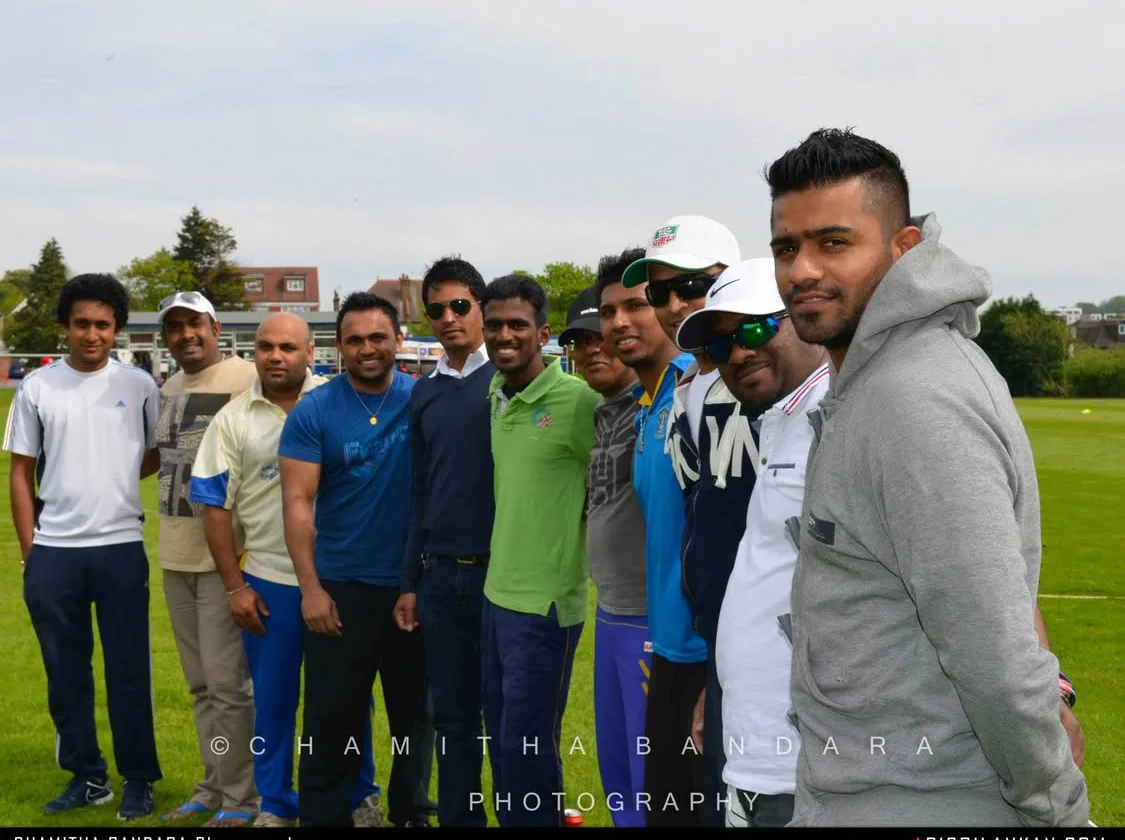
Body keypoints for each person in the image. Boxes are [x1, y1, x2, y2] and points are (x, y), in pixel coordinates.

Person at [766, 127, 1089, 826]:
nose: (800, 270)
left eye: (832, 242)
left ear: (902, 248)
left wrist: (1059, 806)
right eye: (785, 248)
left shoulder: (912, 401)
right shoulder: (871, 380)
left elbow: (993, 656)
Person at [189, 312, 383, 828]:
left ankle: (360, 794)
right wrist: (235, 585)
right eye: (266, 347)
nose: (276, 357)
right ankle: (274, 803)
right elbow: (213, 507)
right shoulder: (233, 418)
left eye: (288, 348)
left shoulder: (339, 400)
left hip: (341, 580)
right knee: (272, 703)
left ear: (311, 352)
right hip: (271, 581)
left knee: (347, 699)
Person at [675, 258, 830, 828]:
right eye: (719, 346)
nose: (738, 352)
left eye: (757, 328)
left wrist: (1049, 689)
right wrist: (721, 690)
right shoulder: (779, 420)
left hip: (812, 769)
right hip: (756, 749)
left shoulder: (841, 417)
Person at [4, 274, 162, 820]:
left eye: (102, 324)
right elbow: (21, 474)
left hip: (119, 546)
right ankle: (86, 775)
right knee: (64, 672)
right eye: (81, 324)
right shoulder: (38, 387)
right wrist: (32, 551)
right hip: (54, 552)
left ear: (115, 328)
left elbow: (154, 453)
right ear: (66, 326)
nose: (91, 335)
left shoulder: (140, 385)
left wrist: (115, 477)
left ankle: (138, 778)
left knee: (127, 669)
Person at [279, 292, 433, 828]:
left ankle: (411, 811)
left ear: (398, 340)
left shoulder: (425, 400)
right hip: (341, 587)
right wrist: (311, 589)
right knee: (331, 718)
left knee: (416, 716)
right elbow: (297, 502)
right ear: (338, 346)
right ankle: (323, 815)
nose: (367, 349)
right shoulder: (315, 410)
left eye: (377, 337)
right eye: (355, 340)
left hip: (414, 585)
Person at [618, 220, 735, 825]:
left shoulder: (751, 389)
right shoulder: (677, 387)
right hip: (672, 644)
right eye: (661, 293)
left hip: (720, 654)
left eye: (691, 285)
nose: (674, 305)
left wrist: (721, 671)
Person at [478, 275, 599, 828]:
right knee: (503, 746)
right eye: (495, 325)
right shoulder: (497, 395)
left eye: (517, 325)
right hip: (495, 596)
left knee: (527, 748)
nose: (504, 335)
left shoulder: (576, 401)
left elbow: (613, 482)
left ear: (544, 334)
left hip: (546, 607)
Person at [393, 256, 496, 828]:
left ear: (480, 308)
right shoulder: (424, 393)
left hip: (501, 577)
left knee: (506, 719)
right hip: (438, 580)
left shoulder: (509, 381)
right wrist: (410, 581)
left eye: (460, 305)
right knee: (453, 720)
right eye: (437, 310)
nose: (449, 318)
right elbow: (419, 492)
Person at [154, 291, 259, 827]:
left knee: (227, 684)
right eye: (175, 327)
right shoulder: (168, 386)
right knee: (200, 685)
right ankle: (213, 784)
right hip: (175, 554)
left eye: (195, 323)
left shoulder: (246, 377)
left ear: (216, 327)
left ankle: (243, 798)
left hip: (227, 558)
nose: (186, 334)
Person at [559, 273, 650, 829]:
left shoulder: (660, 400)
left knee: (651, 777)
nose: (592, 348)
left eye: (600, 335)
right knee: (616, 772)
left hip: (651, 616)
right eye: (577, 341)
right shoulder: (602, 411)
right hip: (610, 610)